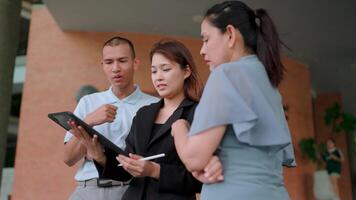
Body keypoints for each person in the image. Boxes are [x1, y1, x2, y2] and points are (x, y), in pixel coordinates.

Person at [69, 39, 224, 200]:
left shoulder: (199, 113)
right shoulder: (144, 113)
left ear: (186, 71)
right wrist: (101, 158)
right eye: (154, 71)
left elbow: (203, 178)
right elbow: (125, 171)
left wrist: (155, 171)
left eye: (166, 69)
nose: (159, 77)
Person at [171, 1, 296, 200]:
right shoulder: (268, 82)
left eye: (206, 39)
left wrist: (178, 127)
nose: (202, 50)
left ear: (230, 34)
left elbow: (194, 158)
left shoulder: (226, 74)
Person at [63, 36, 159, 200]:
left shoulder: (155, 105)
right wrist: (89, 121)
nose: (116, 68)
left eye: (122, 61)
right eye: (109, 62)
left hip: (130, 190)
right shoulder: (88, 102)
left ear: (135, 63)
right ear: (103, 66)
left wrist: (99, 154)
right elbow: (68, 158)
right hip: (87, 189)